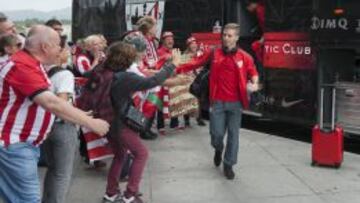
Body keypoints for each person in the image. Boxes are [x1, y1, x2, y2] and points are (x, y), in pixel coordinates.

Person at [0, 25, 109, 203]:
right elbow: (51, 102)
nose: (61, 49)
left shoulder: (31, 64)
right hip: (15, 145)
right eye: (58, 44)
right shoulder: (21, 66)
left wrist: (80, 115)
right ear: (45, 47)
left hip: (21, 144)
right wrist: (92, 124)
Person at [177, 23, 260, 180]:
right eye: (224, 35)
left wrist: (254, 83)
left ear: (236, 37)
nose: (226, 38)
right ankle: (218, 148)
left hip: (236, 104)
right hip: (217, 102)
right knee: (216, 134)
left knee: (233, 135)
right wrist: (176, 68)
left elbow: (253, 73)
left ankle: (228, 164)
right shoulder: (214, 52)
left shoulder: (245, 57)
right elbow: (196, 62)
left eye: (229, 35)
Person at [103, 41, 181, 203]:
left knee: (120, 155)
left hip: (107, 121)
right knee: (141, 154)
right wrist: (172, 65)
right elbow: (151, 82)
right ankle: (130, 195)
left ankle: (110, 193)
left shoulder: (105, 71)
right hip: (121, 123)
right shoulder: (124, 76)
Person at [183, 36, 207, 126]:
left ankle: (199, 118)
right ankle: (186, 120)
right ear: (188, 46)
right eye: (191, 44)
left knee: (200, 100)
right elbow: (183, 68)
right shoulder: (185, 56)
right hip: (190, 80)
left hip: (199, 79)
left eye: (194, 43)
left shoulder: (200, 54)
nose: (194, 45)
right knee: (188, 99)